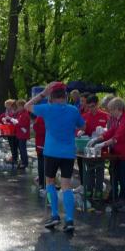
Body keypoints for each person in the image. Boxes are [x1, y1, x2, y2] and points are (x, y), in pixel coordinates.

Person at [25, 81, 85, 232]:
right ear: (65, 95)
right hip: (68, 153)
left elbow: (27, 106)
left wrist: (42, 94)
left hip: (51, 151)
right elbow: (82, 126)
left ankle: (55, 215)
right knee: (66, 186)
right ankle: (69, 220)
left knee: (50, 183)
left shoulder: (47, 108)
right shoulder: (73, 110)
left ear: (51, 96)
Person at [89, 97, 125, 212]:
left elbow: (117, 137)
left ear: (117, 109)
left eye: (111, 110)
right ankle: (122, 199)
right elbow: (111, 131)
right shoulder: (119, 119)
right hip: (119, 153)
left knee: (124, 178)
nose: (109, 112)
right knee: (119, 177)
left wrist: (102, 144)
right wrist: (98, 139)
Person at [78, 95, 109, 200]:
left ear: (97, 104)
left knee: (100, 169)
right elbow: (79, 128)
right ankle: (89, 189)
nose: (91, 109)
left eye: (93, 106)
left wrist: (104, 131)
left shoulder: (105, 116)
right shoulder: (85, 116)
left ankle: (99, 191)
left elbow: (111, 130)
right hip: (89, 146)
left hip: (101, 147)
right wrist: (80, 132)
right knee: (88, 169)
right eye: (89, 107)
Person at [14, 99, 31, 170]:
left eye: (18, 106)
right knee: (21, 148)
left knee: (23, 149)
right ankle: (22, 161)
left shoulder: (25, 114)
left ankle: (25, 163)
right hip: (19, 134)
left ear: (22, 106)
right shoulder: (20, 113)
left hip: (23, 134)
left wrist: (16, 122)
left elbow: (23, 124)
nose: (17, 108)